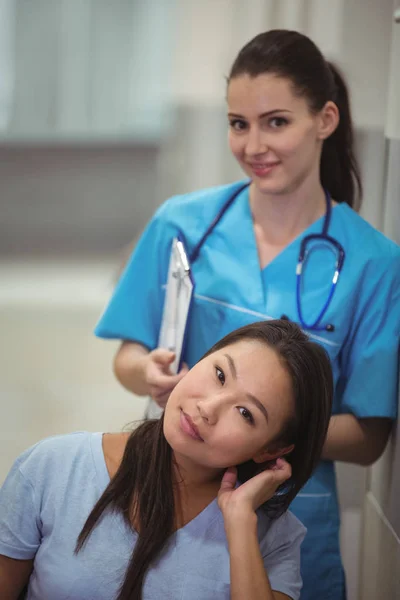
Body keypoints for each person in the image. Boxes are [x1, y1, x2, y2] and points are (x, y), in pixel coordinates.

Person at [94, 29, 400, 599]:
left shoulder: (375, 263)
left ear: (325, 120)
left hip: (295, 513)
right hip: (172, 492)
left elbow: (369, 436)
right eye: (239, 123)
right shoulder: (182, 224)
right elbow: (127, 357)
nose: (254, 144)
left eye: (276, 122)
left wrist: (259, 435)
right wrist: (154, 374)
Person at [0, 320, 332, 600]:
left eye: (245, 413)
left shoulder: (272, 539)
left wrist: (240, 522)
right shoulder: (52, 467)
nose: (208, 408)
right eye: (219, 374)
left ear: (270, 451)